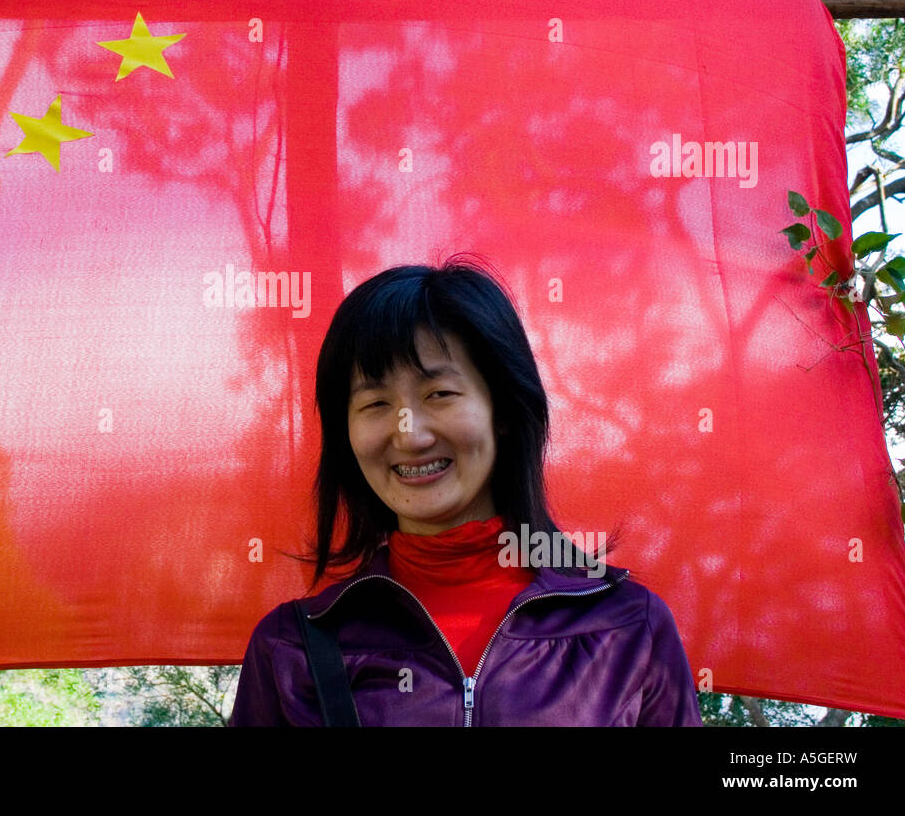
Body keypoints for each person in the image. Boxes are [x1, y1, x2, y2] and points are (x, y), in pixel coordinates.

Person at [229, 258, 701, 726]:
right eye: (375, 403)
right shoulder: (287, 650)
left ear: (504, 411)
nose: (410, 435)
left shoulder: (630, 629)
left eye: (440, 394)